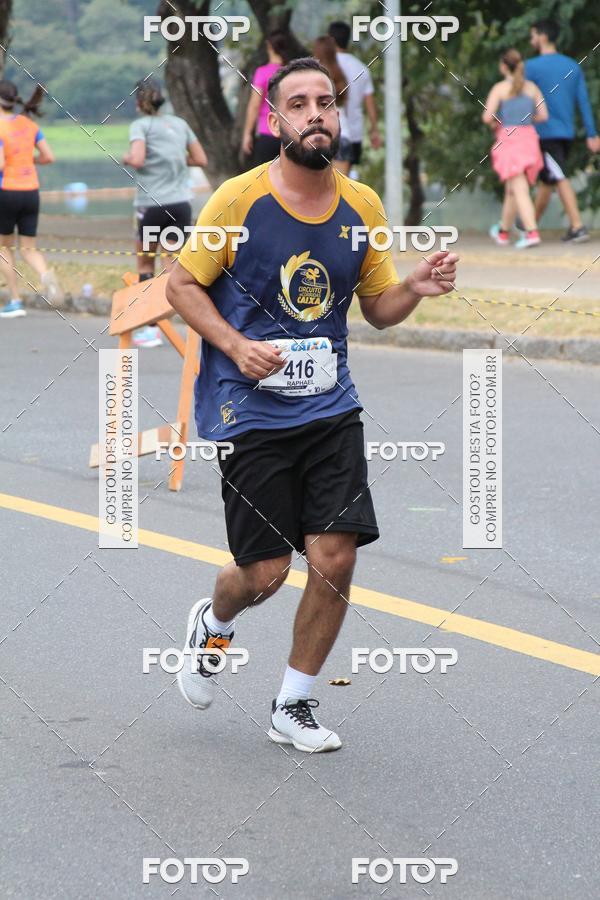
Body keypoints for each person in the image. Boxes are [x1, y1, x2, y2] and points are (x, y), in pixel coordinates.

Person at [166, 58, 458, 753]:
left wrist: (415, 286)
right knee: (266, 572)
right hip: (249, 408)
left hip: (330, 406)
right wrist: (236, 346)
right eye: (298, 103)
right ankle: (215, 619)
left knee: (336, 555)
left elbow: (380, 311)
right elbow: (181, 287)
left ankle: (292, 703)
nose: (316, 113)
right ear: (276, 121)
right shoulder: (237, 201)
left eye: (326, 101)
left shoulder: (362, 206)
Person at [123, 79, 207, 347]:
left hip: (151, 205)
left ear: (138, 103)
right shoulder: (180, 124)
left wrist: (127, 159)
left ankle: (152, 327)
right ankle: (177, 322)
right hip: (180, 205)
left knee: (145, 264)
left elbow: (137, 159)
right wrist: (173, 159)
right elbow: (200, 159)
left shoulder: (140, 125)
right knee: (171, 265)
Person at [525, 19, 600, 243]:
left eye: (533, 35)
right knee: (548, 180)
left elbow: (521, 100)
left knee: (558, 176)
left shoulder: (531, 67)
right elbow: (584, 102)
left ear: (543, 37)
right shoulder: (572, 66)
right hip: (566, 133)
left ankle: (577, 226)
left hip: (544, 132)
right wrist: (591, 134)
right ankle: (530, 226)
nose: (531, 40)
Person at [0, 81, 62, 319]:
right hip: (31, 192)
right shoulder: (29, 124)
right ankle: (46, 275)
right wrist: (27, 161)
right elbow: (48, 156)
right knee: (29, 248)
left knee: (4, 247)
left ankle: (15, 300)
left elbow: (1, 164)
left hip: (7, 191)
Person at [484, 49, 548, 249]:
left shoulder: (499, 88)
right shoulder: (532, 88)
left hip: (508, 139)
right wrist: (527, 120)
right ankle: (503, 232)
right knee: (512, 189)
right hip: (528, 138)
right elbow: (543, 116)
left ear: (503, 66)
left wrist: (499, 122)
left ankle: (531, 232)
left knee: (519, 188)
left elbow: (487, 117)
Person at [328, 21, 381, 174]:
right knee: (343, 182)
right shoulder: (361, 68)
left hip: (330, 132)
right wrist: (374, 130)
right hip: (354, 133)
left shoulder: (324, 65)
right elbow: (370, 103)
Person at [242, 30, 291, 165]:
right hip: (290, 134)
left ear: (269, 46)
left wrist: (247, 134)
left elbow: (254, 105)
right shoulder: (292, 72)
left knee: (267, 180)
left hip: (267, 132)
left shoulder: (262, 72)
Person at [313, 35, 352, 174]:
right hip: (344, 134)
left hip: (322, 135)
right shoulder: (341, 76)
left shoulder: (315, 78)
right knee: (342, 188)